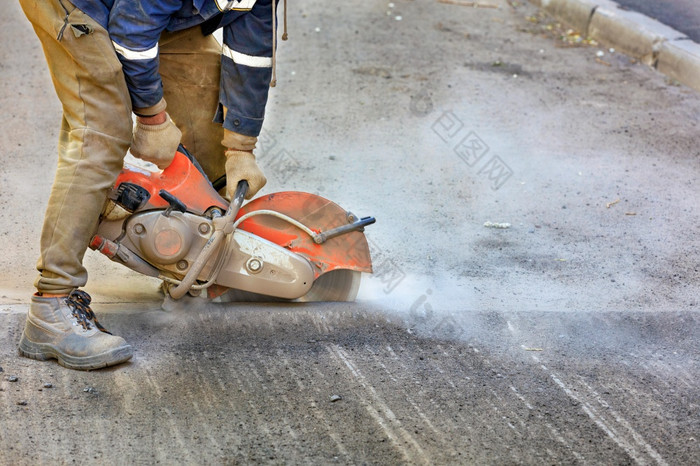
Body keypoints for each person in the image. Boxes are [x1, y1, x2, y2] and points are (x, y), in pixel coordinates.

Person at [17, 0, 282, 370]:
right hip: (79, 5)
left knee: (200, 82)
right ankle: (52, 304)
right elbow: (130, 31)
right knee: (102, 129)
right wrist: (153, 119)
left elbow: (250, 51)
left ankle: (199, 255)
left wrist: (240, 148)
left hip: (146, 9)